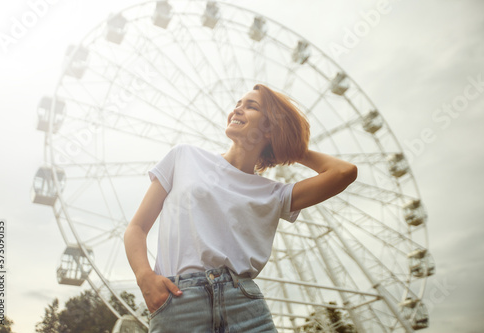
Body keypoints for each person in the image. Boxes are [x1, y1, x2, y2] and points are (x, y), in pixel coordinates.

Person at [124, 84, 358, 332]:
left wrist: (290, 147)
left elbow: (344, 172)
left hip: (245, 306)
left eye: (251, 106)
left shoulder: (274, 193)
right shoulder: (184, 157)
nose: (237, 110)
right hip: (180, 299)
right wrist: (144, 278)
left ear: (270, 128)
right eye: (238, 104)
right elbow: (136, 228)